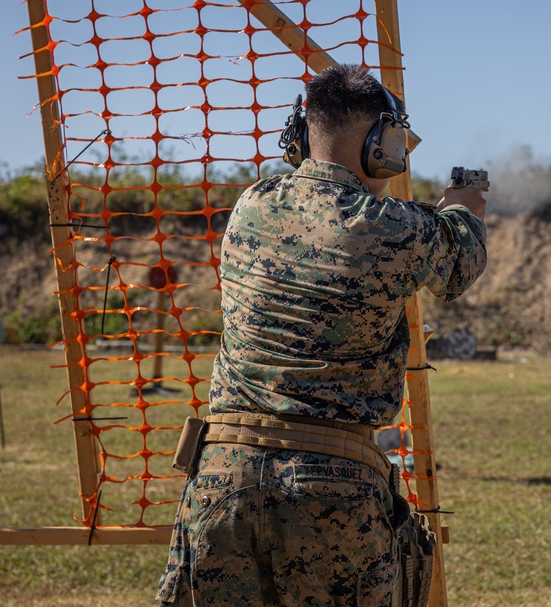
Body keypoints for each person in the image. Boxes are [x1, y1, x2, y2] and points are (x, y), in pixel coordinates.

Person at [157, 63, 488, 606]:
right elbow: (459, 264)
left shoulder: (251, 205)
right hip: (329, 489)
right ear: (381, 143)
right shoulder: (395, 225)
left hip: (220, 481)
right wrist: (465, 207)